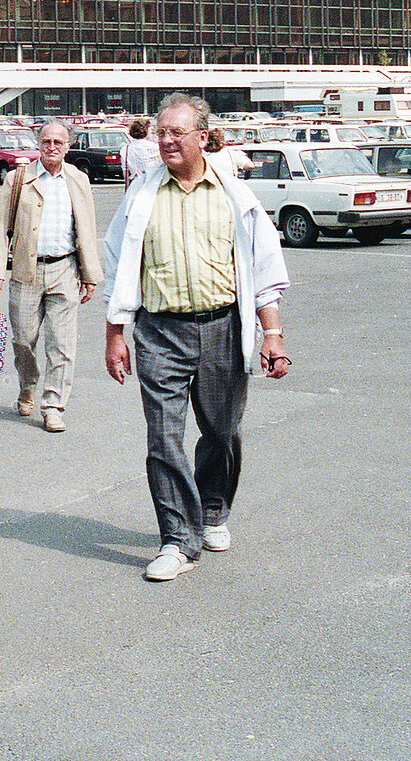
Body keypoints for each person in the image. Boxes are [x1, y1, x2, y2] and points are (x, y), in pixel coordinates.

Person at [103, 93, 291, 582]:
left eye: (175, 133)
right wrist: (115, 334)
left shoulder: (234, 197)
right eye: (159, 132)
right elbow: (117, 266)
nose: (163, 140)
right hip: (160, 331)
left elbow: (265, 271)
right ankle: (177, 539)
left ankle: (212, 510)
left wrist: (272, 333)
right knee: (163, 438)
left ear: (202, 138)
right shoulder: (141, 193)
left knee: (222, 431)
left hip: (223, 328)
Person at [0, 119, 104, 433]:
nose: (52, 147)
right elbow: (0, 228)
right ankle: (28, 384)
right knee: (24, 339)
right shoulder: (18, 178)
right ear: (38, 143)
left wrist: (89, 273)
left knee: (62, 344)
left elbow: (87, 230)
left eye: (59, 142)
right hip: (26, 270)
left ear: (67, 146)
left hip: (65, 270)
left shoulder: (78, 179)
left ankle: (53, 406)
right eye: (46, 141)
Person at [122, 116, 161, 186]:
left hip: (135, 184)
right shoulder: (154, 147)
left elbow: (125, 172)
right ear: (145, 130)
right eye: (149, 128)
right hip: (152, 184)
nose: (151, 130)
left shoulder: (125, 149)